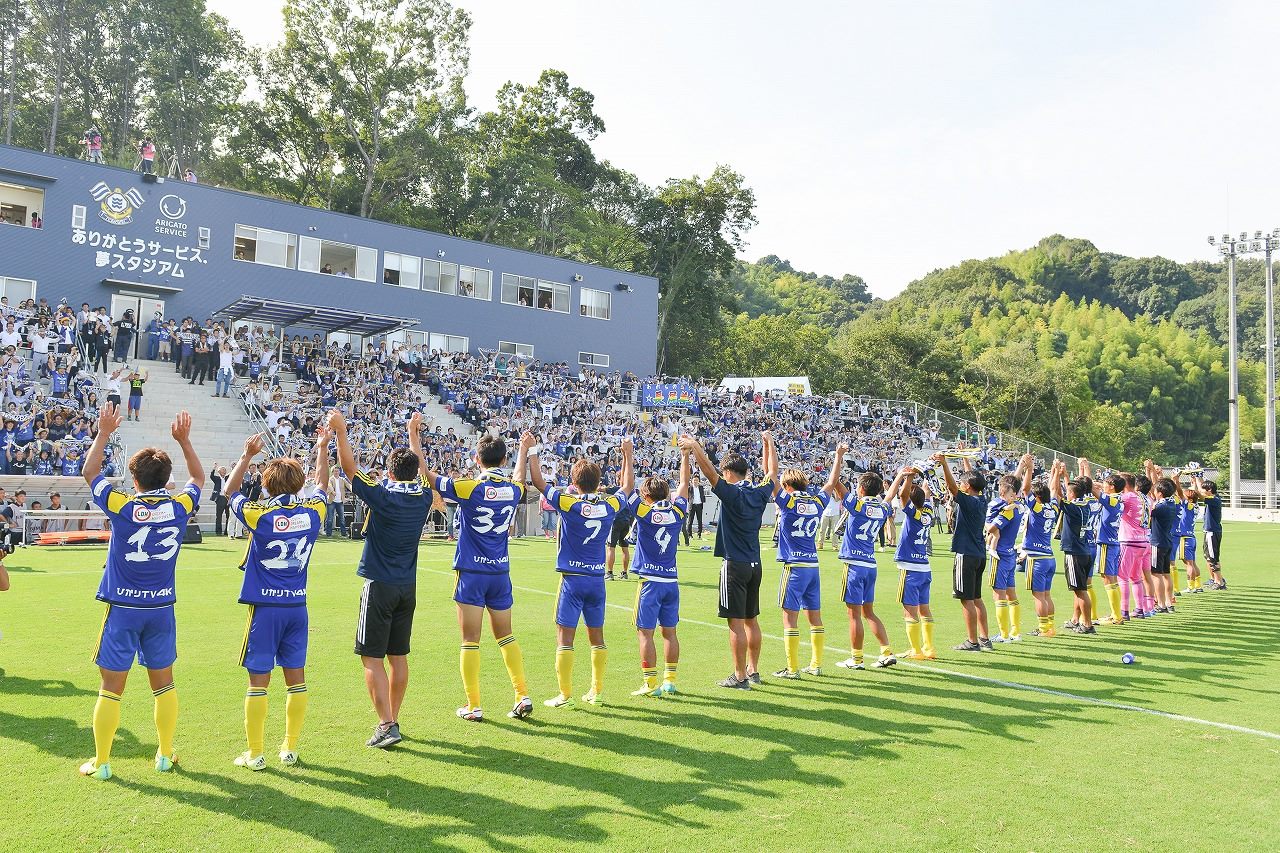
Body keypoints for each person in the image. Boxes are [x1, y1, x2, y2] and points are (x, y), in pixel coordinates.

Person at [78, 404, 203, 781]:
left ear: (134, 479)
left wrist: (103, 433)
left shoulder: (122, 505)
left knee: (111, 687)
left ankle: (101, 762)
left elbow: (90, 472)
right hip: (162, 607)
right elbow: (198, 477)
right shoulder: (179, 506)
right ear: (167, 479)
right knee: (164, 683)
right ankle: (164, 754)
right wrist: (184, 440)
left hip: (123, 608)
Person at [224, 428, 328, 771]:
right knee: (296, 679)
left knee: (258, 681)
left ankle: (255, 754)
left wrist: (246, 456)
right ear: (299, 485)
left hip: (265, 610)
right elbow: (324, 488)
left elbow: (230, 491)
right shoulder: (313, 513)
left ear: (267, 486)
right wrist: (323, 448)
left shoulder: (259, 514)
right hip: (297, 607)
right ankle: (290, 748)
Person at [328, 408, 432, 749]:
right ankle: (392, 720)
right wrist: (413, 435)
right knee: (398, 656)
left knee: (371, 657)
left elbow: (349, 470)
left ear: (389, 470)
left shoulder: (384, 496)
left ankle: (387, 724)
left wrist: (342, 432)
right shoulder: (424, 497)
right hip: (407, 585)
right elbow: (423, 473)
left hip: (379, 584)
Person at [427, 425, 533, 723]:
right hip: (500, 572)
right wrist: (524, 450)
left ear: (477, 459)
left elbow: (427, 475)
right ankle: (522, 694)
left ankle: (473, 705)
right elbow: (519, 479)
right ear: (503, 460)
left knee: (470, 640)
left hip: (472, 572)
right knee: (506, 636)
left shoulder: (468, 487)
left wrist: (414, 435)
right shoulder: (513, 491)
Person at [527, 433, 620, 707]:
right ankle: (597, 691)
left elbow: (538, 482)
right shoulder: (609, 505)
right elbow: (626, 488)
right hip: (596, 580)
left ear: (574, 483)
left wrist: (532, 449)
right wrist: (626, 454)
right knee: (597, 636)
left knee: (565, 637)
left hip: (572, 580)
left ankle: (565, 694)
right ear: (598, 482)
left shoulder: (569, 503)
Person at [679, 432, 776, 690]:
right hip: (755, 563)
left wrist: (696, 447)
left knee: (735, 623)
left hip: (734, 564)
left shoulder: (732, 494)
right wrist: (769, 445)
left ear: (730, 473)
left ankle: (740, 676)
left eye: (725, 473)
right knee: (751, 620)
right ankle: (753, 671)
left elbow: (710, 473)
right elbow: (773, 475)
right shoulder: (759, 493)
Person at [620, 437, 689, 696]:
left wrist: (628, 455)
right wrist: (684, 456)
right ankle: (670, 681)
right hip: (671, 581)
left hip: (649, 582)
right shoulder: (678, 511)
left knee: (645, 634)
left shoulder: (645, 513)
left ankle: (650, 684)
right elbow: (683, 485)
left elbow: (625, 489)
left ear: (647, 496)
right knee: (669, 633)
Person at [828, 444, 899, 671]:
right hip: (870, 564)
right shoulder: (882, 509)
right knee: (869, 612)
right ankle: (886, 652)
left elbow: (834, 482)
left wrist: (839, 457)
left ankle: (856, 659)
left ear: (860, 489)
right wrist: (899, 477)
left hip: (854, 566)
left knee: (854, 615)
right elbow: (889, 497)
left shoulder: (857, 504)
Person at [769, 449, 833, 679]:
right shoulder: (817, 502)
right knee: (815, 617)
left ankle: (792, 668)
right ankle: (816, 664)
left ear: (787, 486)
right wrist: (838, 457)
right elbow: (832, 482)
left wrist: (770, 445)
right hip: (813, 566)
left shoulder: (787, 501)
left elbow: (771, 476)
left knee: (790, 619)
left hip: (794, 566)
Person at [932, 452, 994, 651]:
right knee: (977, 598)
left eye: (963, 482)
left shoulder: (967, 501)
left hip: (965, 554)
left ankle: (972, 641)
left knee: (966, 600)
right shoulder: (982, 499)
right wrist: (965, 458)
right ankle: (985, 638)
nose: (961, 483)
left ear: (967, 486)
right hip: (979, 554)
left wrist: (944, 464)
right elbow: (971, 480)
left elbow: (952, 487)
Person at [889, 466, 936, 660]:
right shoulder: (928, 512)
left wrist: (907, 477)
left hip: (910, 569)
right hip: (925, 567)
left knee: (909, 611)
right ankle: (929, 648)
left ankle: (916, 650)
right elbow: (922, 493)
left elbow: (902, 495)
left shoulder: (913, 513)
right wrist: (927, 473)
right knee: (925, 609)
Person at [1018, 456, 1062, 638]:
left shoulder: (1036, 508)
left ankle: (1044, 629)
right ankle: (1050, 626)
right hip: (1050, 557)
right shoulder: (1052, 507)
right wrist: (1056, 472)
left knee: (1039, 596)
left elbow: (1025, 489)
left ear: (1037, 498)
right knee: (1046, 594)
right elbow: (1054, 490)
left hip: (1036, 558)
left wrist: (1029, 469)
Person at [1081, 459, 1125, 625]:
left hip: (1106, 543)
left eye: (1106, 484)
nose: (1103, 486)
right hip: (1113, 542)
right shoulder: (1118, 499)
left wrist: (1086, 468)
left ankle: (1116, 616)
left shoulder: (1111, 500)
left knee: (1108, 579)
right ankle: (1116, 614)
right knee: (1111, 579)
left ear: (1112, 486)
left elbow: (1091, 487)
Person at [984, 464, 1024, 643]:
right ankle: (1015, 632)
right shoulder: (1017, 509)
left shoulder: (1008, 512)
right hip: (1010, 555)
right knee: (1011, 594)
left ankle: (1004, 634)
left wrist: (986, 525)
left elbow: (992, 527)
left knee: (998, 594)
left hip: (1000, 555)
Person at [1057, 469, 1097, 634]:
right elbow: (1074, 490)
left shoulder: (1073, 508)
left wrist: (1056, 474)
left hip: (1074, 553)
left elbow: (1056, 494)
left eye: (1069, 492)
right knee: (1078, 589)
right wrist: (1066, 477)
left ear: (1072, 494)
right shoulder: (1085, 504)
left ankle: (1087, 624)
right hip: (1085, 550)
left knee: (1081, 591)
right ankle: (1076, 620)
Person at [1148, 473, 1178, 613]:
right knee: (1166, 574)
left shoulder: (1159, 507)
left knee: (1156, 574)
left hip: (1157, 543)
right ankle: (1169, 601)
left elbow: (1148, 515)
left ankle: (1161, 604)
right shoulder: (1171, 503)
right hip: (1167, 542)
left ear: (1159, 493)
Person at [1191, 473, 1225, 590]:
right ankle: (1215, 579)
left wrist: (1197, 478)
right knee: (1209, 556)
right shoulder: (1213, 498)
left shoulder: (1214, 499)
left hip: (1212, 532)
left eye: (1205, 489)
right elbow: (1199, 492)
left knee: (1212, 558)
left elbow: (1200, 494)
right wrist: (1197, 478)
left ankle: (1219, 582)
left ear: (1209, 490)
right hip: (1210, 531)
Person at [1172, 475, 1203, 593]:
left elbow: (1180, 493)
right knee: (1193, 563)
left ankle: (1191, 587)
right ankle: (1198, 585)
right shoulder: (1195, 505)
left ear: (1189, 499)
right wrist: (1194, 481)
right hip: (1191, 537)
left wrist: (1176, 481)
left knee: (1188, 564)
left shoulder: (1188, 505)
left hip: (1185, 538)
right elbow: (1189, 493)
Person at [604, 482, 633, 580]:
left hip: (616, 520)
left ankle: (609, 573)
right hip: (627, 520)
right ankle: (624, 573)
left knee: (610, 547)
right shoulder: (632, 492)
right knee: (625, 548)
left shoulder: (618, 489)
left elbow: (601, 489)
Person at [683, 475, 705, 544]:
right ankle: (689, 535)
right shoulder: (689, 488)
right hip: (692, 505)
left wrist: (703, 500)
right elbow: (687, 497)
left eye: (697, 480)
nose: (695, 481)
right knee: (690, 521)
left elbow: (702, 495)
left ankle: (699, 534)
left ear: (699, 481)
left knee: (700, 520)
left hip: (699, 505)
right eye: (694, 480)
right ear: (692, 481)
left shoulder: (701, 488)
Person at [210, 465, 229, 536]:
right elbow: (211, 476)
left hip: (227, 498)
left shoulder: (228, 478)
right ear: (219, 471)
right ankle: (218, 531)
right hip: (220, 498)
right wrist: (214, 467)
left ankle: (227, 531)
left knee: (228, 515)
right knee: (219, 516)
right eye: (222, 470)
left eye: (225, 470)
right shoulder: (217, 478)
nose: (224, 471)